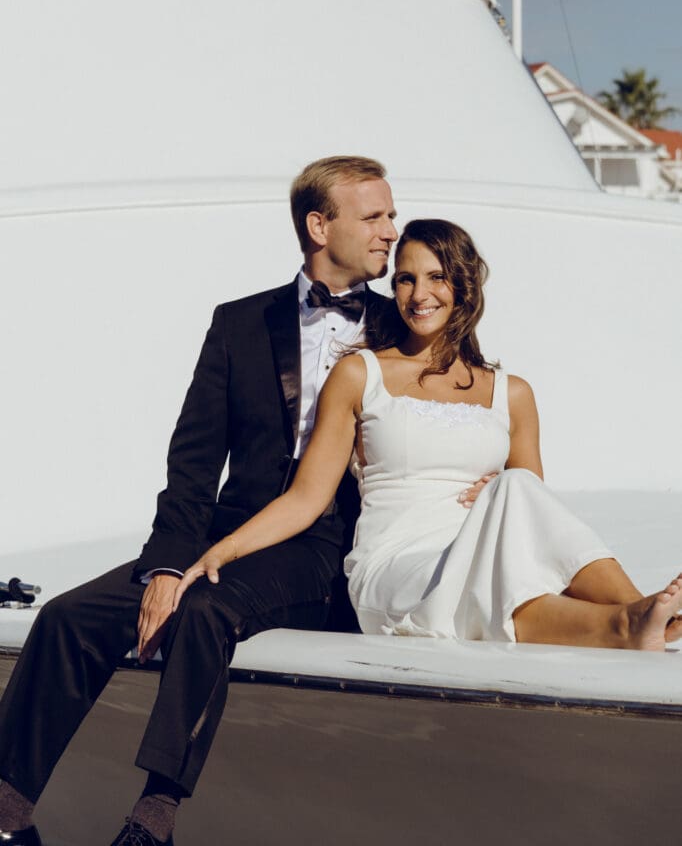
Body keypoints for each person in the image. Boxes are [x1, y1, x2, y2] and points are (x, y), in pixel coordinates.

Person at [0, 156, 398, 846]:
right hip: (224, 533)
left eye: (391, 215)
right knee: (67, 617)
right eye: (375, 216)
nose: (391, 230)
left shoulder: (402, 327)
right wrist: (163, 567)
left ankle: (154, 817)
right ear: (318, 225)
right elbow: (192, 462)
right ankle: (9, 815)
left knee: (207, 608)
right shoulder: (238, 323)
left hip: (323, 548)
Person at [172, 218, 682, 654]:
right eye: (405, 280)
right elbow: (306, 498)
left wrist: (500, 494)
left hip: (478, 552)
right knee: (499, 544)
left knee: (518, 491)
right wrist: (223, 550)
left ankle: (637, 615)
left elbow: (535, 522)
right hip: (397, 565)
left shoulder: (513, 393)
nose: (419, 295)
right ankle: (635, 617)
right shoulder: (360, 374)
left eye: (437, 278)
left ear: (463, 286)